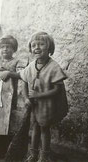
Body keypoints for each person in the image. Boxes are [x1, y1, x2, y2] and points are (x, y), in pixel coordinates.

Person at [18, 32, 68, 162]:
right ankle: (33, 154)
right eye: (33, 45)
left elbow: (58, 89)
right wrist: (26, 98)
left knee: (44, 129)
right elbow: (23, 80)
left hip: (47, 105)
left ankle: (44, 155)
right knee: (34, 127)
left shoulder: (53, 67)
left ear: (49, 48)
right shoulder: (31, 66)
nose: (37, 47)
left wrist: (39, 95)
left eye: (41, 44)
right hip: (34, 105)